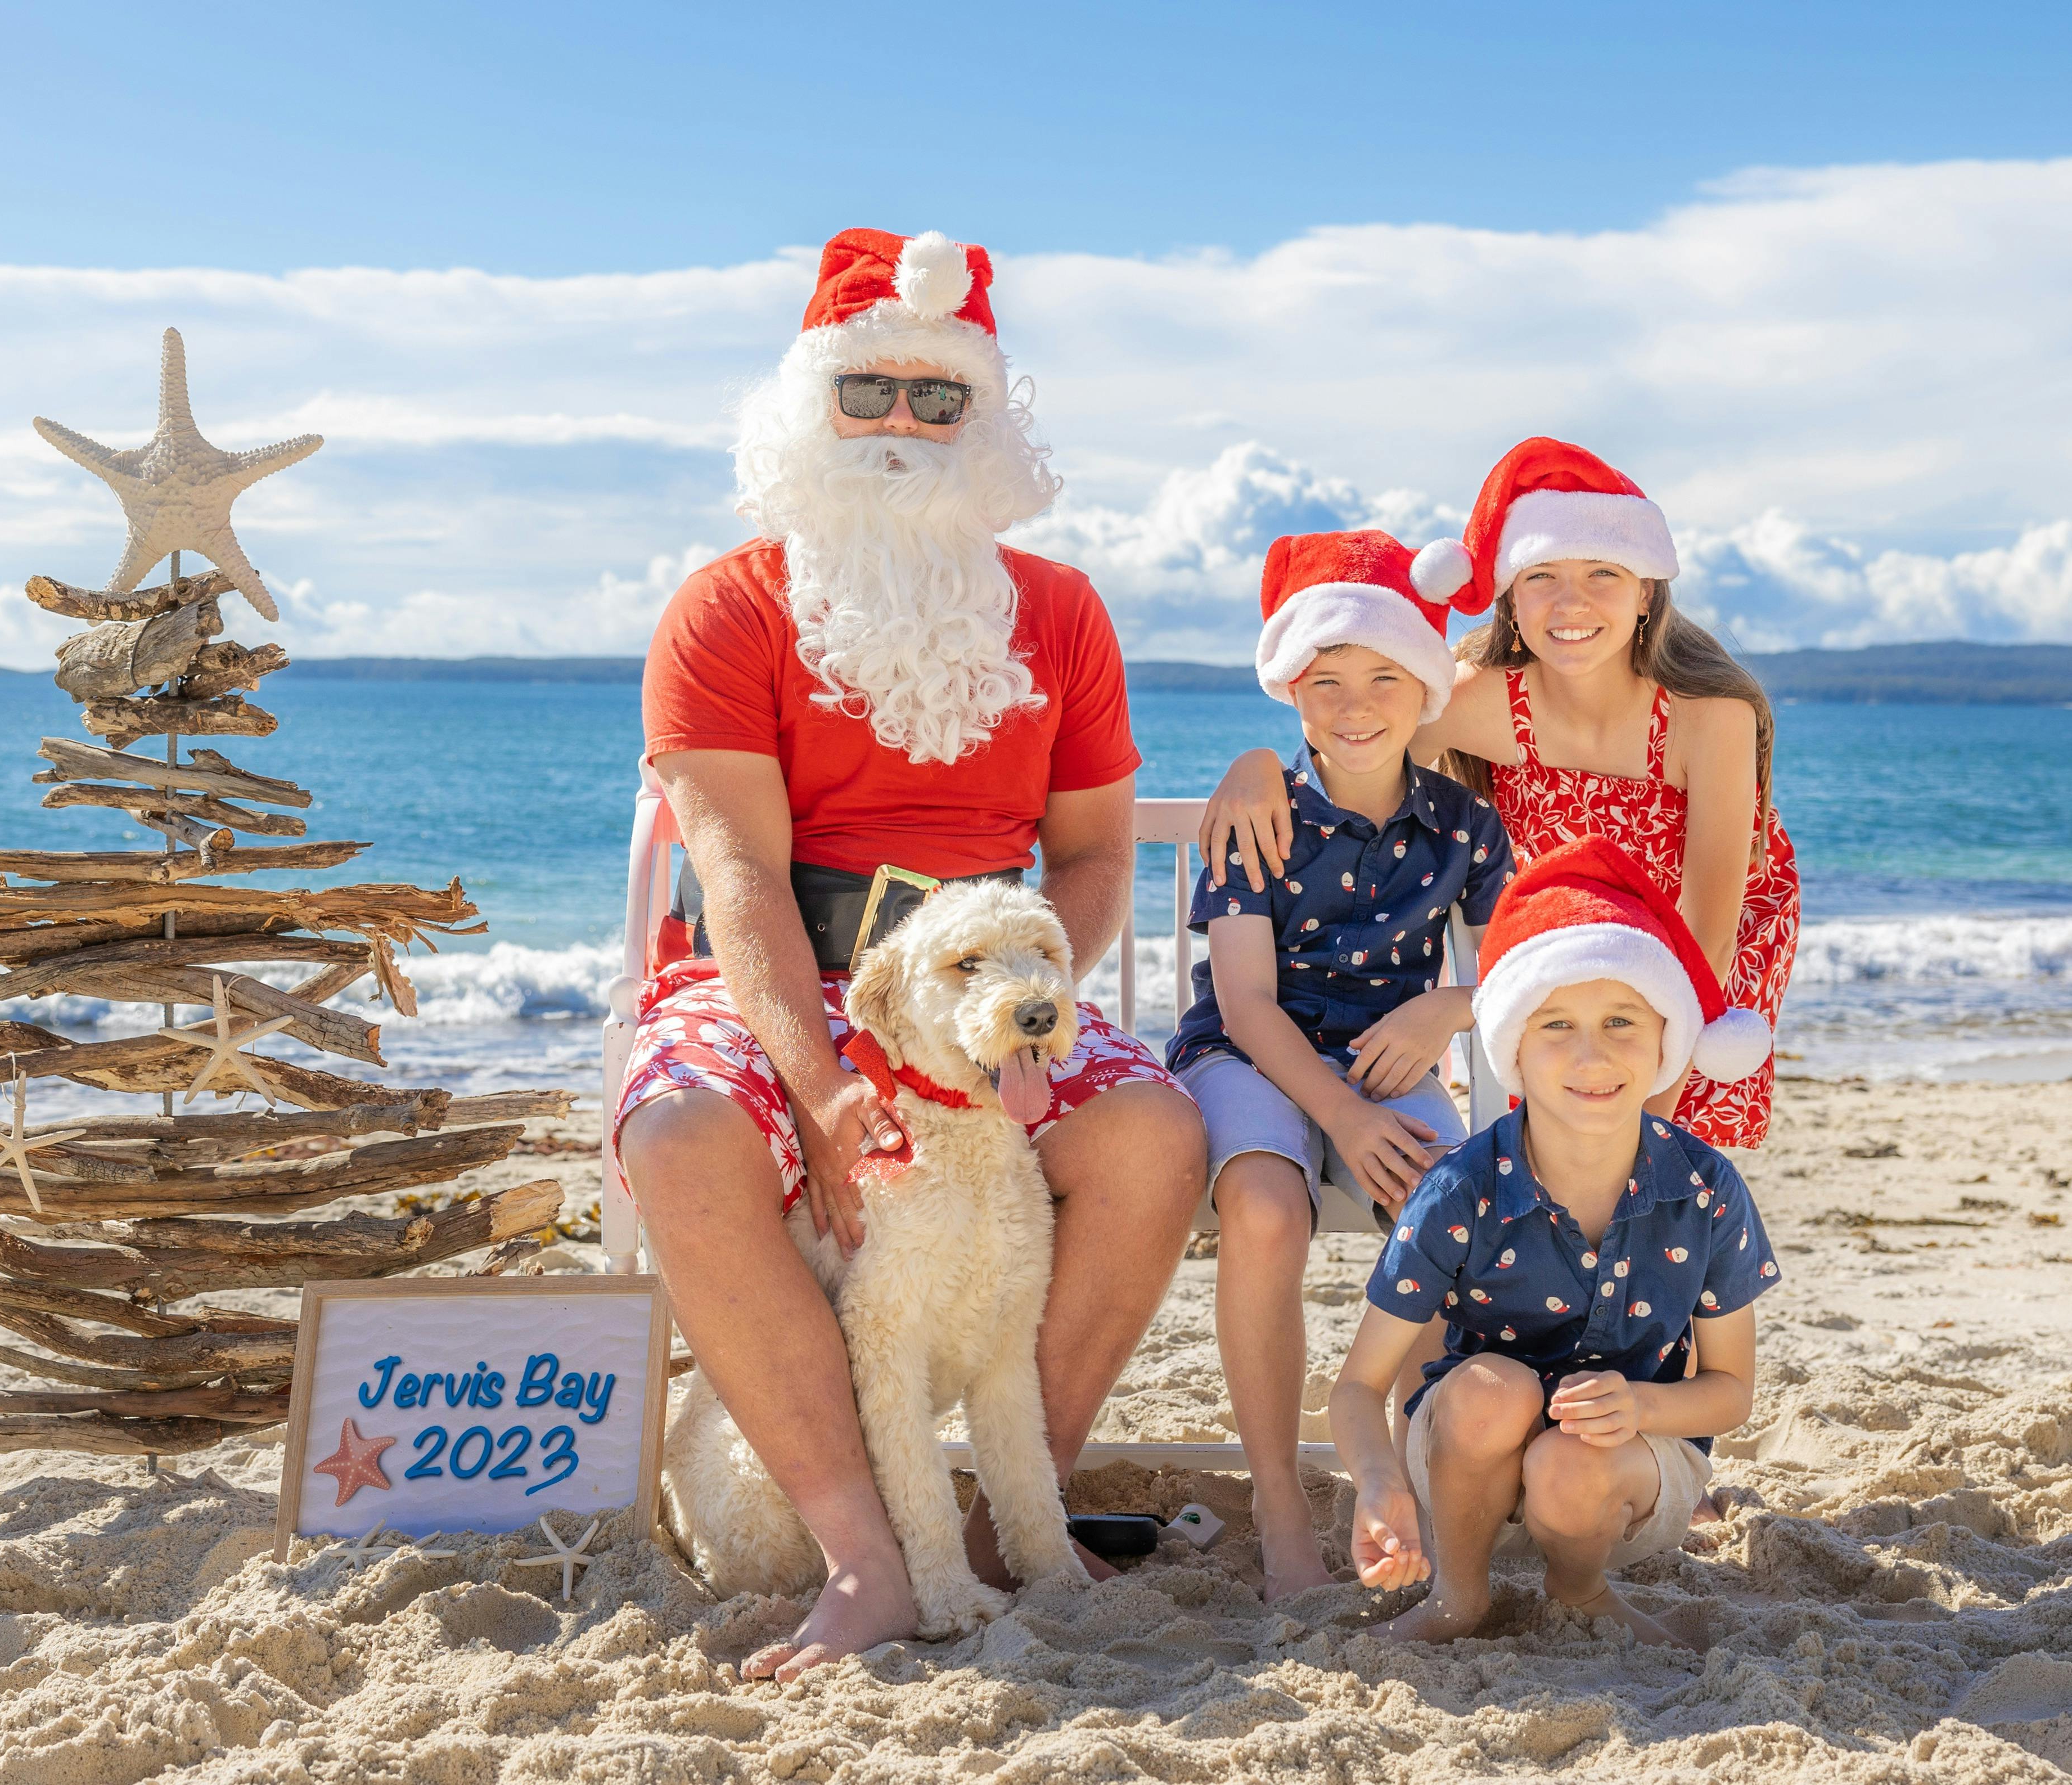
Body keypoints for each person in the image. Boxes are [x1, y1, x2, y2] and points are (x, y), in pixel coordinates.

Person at [614, 228, 1206, 1681]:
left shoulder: (1059, 611)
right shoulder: (724, 605)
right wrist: (821, 1083)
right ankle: (865, 1559)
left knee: (1148, 1130)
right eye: (863, 391)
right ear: (806, 406)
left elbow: (1083, 857)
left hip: (989, 971)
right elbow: (738, 869)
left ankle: (1014, 1512)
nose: (895, 426)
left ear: (983, 420)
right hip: (782, 977)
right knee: (684, 1131)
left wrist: (1011, 1010)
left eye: (934, 400)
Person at [1199, 438, 1801, 1153]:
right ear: (1510, 593)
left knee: (1655, 1170)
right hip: (1561, 961)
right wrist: (1260, 763)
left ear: (1646, 592)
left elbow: (1709, 933)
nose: (1570, 602)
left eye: (1603, 572)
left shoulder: (1709, 715)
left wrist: (1650, 1119)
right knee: (1553, 1157)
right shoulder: (1476, 701)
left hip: (1702, 957)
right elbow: (1358, 757)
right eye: (1541, 574)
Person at [1168, 528, 1511, 1600]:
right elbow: (1244, 1003)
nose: (1353, 705)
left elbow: (1520, 965)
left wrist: (1444, 1005)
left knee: (1447, 1205)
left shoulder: (1462, 823)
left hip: (1383, 1056)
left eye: (1382, 679)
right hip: (1247, 1053)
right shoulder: (1256, 813)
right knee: (1265, 1208)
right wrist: (1345, 1123)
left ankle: (1413, 1478)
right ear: (1290, 691)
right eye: (1324, 682)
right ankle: (1278, 1498)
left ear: (1423, 692)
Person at [1328, 837, 1779, 1647]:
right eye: (1555, 1025)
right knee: (1490, 1388)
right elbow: (1357, 1387)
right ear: (1513, 1051)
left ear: (1662, 1040)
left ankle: (1579, 1591)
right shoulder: (1461, 1189)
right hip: (1464, 1473)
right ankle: (1457, 1598)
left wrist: (1637, 1404)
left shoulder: (1705, 1189)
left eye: (1619, 1021)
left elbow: (1730, 1390)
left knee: (1568, 1460)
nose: (1590, 1054)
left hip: (1623, 1482)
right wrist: (1376, 1482)